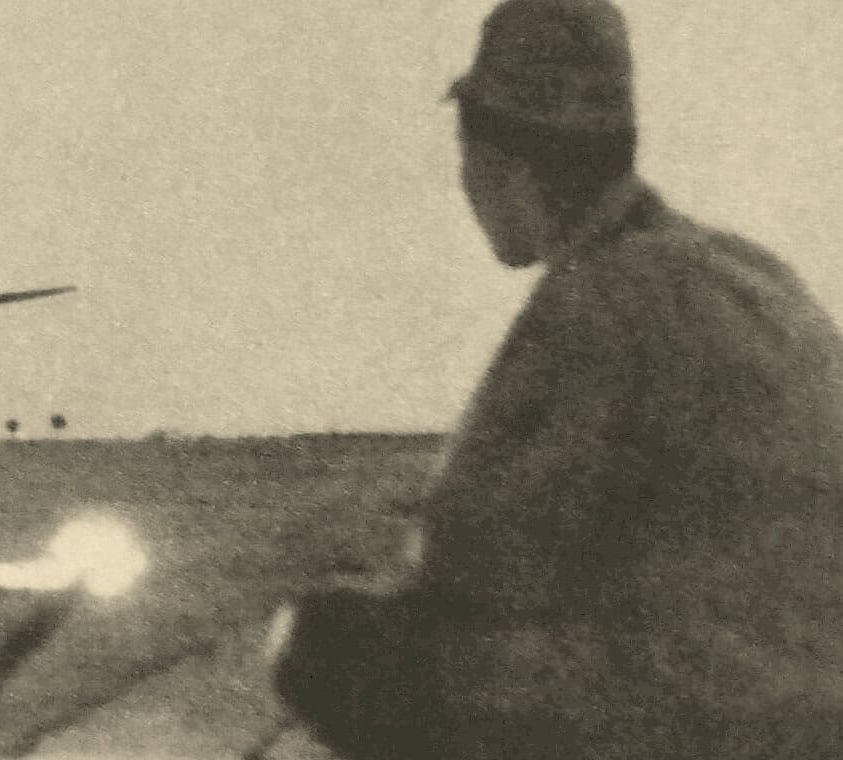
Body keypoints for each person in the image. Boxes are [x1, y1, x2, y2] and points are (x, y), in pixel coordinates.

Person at [269, 1, 843, 757]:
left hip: (725, 712)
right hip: (809, 684)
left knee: (331, 645)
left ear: (499, 160)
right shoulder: (746, 270)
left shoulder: (594, 299)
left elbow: (470, 559)